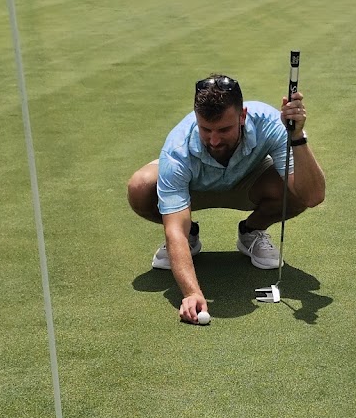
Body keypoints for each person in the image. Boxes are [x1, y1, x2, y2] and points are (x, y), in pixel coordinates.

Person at [127, 74, 325, 323]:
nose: (214, 140)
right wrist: (191, 292)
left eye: (224, 129)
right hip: (194, 190)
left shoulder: (270, 122)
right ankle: (191, 240)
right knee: (140, 187)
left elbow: (314, 195)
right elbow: (174, 229)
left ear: (242, 116)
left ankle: (252, 232)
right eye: (205, 129)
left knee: (296, 191)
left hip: (248, 181)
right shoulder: (177, 148)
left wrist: (297, 137)